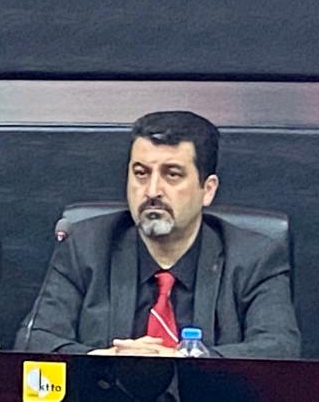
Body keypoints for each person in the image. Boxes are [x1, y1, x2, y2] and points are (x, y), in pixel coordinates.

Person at [17, 111, 299, 358]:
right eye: (141, 173)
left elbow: (279, 349)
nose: (152, 191)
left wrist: (182, 362)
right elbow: (34, 340)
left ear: (208, 189)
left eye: (172, 174)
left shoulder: (254, 257)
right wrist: (100, 362)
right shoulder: (84, 245)